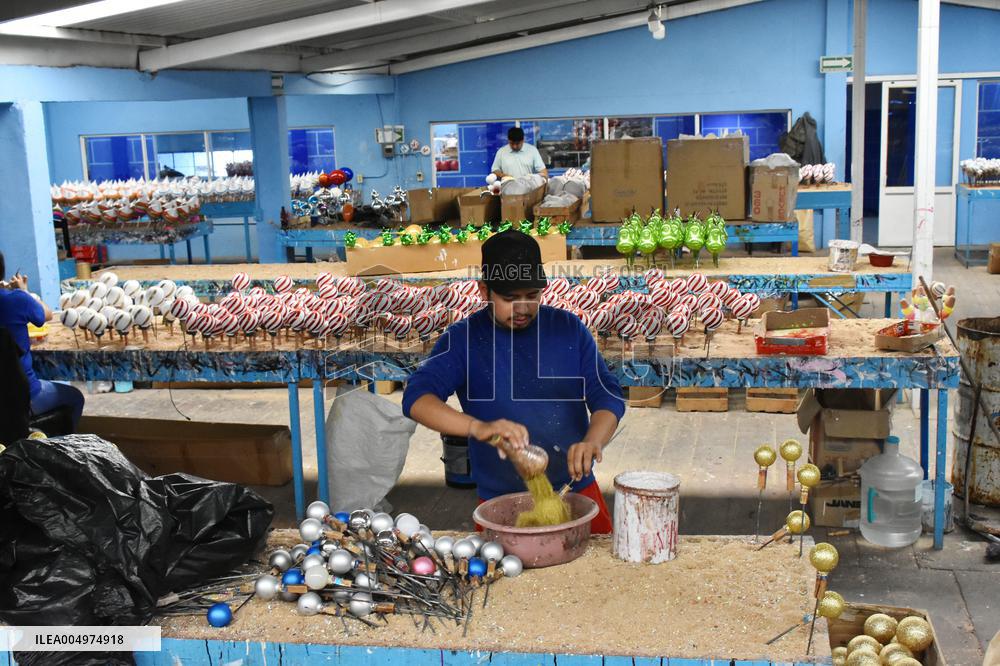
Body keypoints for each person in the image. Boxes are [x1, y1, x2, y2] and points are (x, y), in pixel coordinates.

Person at [402, 230, 624, 533]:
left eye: (532, 296)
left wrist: (593, 440)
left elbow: (607, 394)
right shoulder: (464, 340)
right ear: (484, 290)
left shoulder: (567, 329)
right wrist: (478, 428)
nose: (522, 308)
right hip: (500, 503)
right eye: (509, 298)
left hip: (576, 491)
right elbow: (416, 398)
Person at [0, 252, 85, 430]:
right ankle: (59, 444)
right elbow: (46, 314)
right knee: (76, 397)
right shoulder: (16, 299)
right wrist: (24, 291)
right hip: (23, 397)